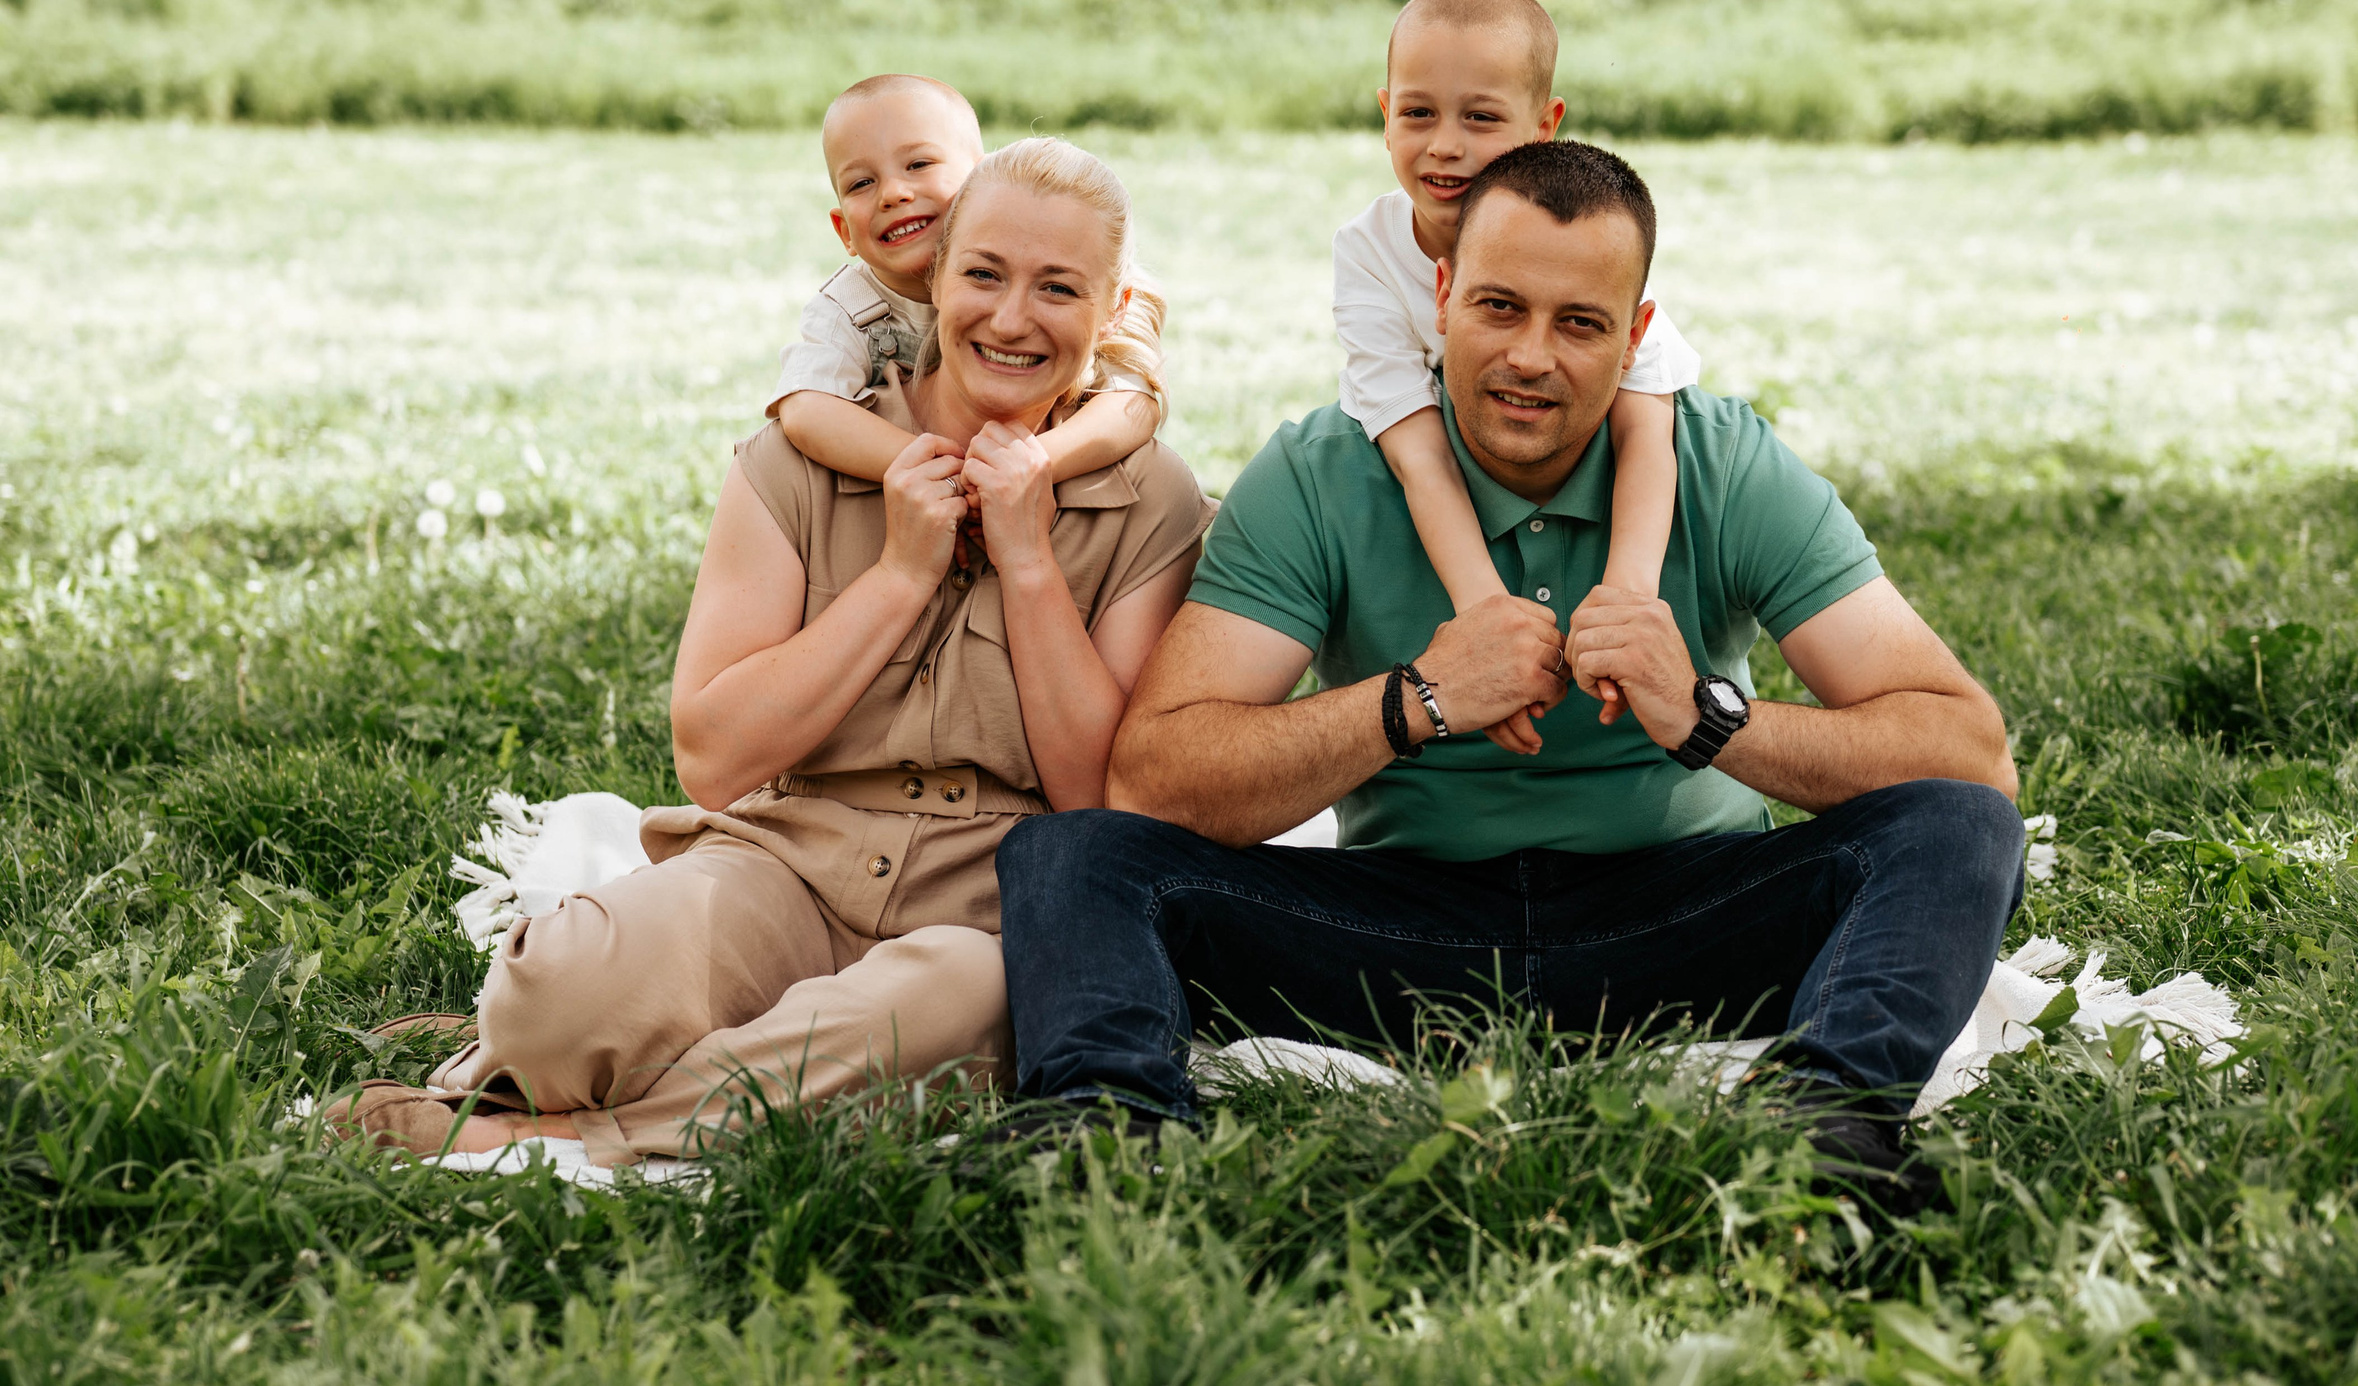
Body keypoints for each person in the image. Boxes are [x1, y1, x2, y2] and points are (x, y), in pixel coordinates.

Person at [998, 140, 2023, 1208]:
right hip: (1398, 935)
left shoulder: (1722, 459)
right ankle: (1109, 1145)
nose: (1531, 355)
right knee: (1075, 856)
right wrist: (1417, 699)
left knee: (1956, 828)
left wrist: (1708, 717)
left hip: (1688, 923)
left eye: (1579, 323)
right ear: (1439, 296)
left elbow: (1967, 750)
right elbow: (1157, 777)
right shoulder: (1322, 468)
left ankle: (1832, 1121)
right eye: (1498, 306)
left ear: (1635, 335)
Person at [334, 138, 1212, 1165]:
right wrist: (898, 574)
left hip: (991, 903)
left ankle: (565, 1127)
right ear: (936, 274)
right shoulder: (794, 460)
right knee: (547, 1005)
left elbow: (1097, 798)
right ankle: (613, 1063)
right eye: (984, 273)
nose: (1012, 317)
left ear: (1109, 312)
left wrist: (1027, 563)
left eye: (1058, 288)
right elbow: (712, 756)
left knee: (959, 1008)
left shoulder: (1153, 498)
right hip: (788, 858)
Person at [1336, 0, 1702, 748]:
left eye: (1481, 117)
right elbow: (1418, 453)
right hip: (1440, 487)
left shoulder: (1583, 240)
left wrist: (1628, 596)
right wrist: (1482, 613)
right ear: (1383, 112)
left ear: (1546, 125)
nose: (1444, 144)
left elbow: (1646, 434)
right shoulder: (1369, 251)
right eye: (1417, 113)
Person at [770, 73, 1167, 486]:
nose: (892, 193)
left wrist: (1033, 465)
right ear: (844, 231)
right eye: (861, 183)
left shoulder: (1088, 286)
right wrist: (943, 475)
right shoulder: (848, 310)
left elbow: (1135, 403)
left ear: (979, 184)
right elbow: (807, 409)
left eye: (919, 164)